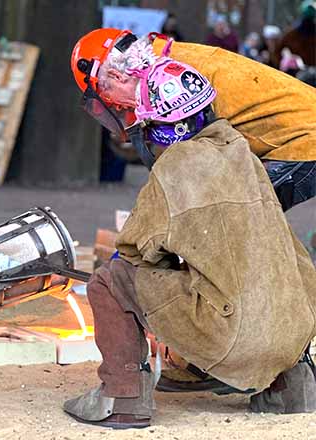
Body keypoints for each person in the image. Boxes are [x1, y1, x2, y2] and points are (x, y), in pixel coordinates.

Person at [65, 33, 316, 429]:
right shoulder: (245, 156)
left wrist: (130, 264)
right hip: (292, 333)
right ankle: (291, 386)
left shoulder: (172, 172)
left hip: (307, 144)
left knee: (111, 282)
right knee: (267, 249)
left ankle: (122, 398)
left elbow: (134, 252)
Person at [71, 28, 316, 212]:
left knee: (232, 216)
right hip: (301, 124)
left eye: (108, 96)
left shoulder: (167, 82)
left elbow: (191, 170)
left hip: (304, 138)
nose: (115, 105)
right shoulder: (167, 60)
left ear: (115, 75)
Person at [274, 0, 316, 68]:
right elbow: (278, 52)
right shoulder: (291, 35)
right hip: (296, 72)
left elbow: (277, 52)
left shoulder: (290, 34)